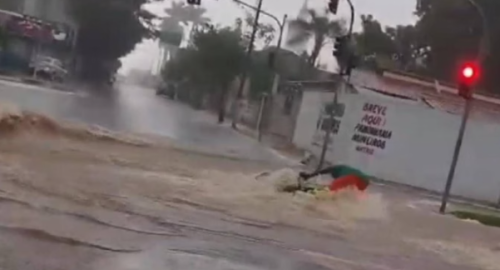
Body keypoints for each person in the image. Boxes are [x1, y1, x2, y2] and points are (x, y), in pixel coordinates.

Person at [299, 164, 370, 192]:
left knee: (328, 190)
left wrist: (309, 176)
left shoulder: (339, 170)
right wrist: (309, 176)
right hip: (364, 182)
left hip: (352, 178)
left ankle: (305, 190)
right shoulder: (345, 168)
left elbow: (324, 171)